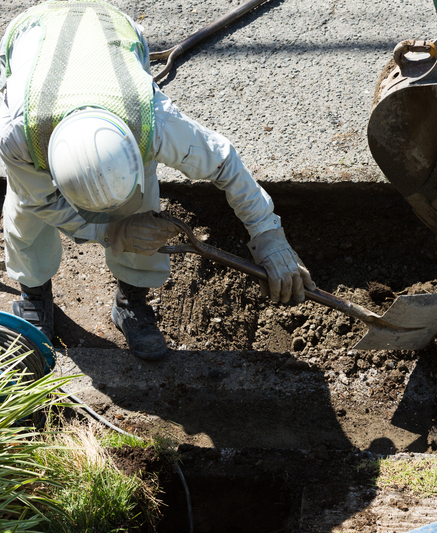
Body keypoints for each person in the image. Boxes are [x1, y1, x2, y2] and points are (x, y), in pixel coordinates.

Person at [0, 0, 315, 360]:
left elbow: (225, 161)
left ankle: (130, 301)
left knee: (142, 210)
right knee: (26, 209)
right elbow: (41, 200)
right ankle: (34, 295)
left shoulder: (156, 124)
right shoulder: (16, 135)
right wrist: (111, 232)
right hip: (32, 36)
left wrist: (268, 235)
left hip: (111, 30)